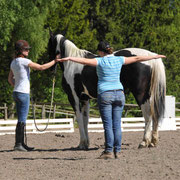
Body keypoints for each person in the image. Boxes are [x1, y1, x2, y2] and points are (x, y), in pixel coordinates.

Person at [58, 41, 166, 159]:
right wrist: (154, 57)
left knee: (108, 125)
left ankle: (109, 151)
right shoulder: (119, 59)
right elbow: (137, 58)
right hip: (119, 95)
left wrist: (68, 58)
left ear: (100, 52)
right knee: (116, 125)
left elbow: (84, 61)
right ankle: (118, 151)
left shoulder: (99, 60)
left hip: (105, 95)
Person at [8, 40, 61, 152]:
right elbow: (41, 67)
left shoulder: (13, 62)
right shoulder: (24, 61)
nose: (28, 51)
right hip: (23, 93)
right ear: (20, 51)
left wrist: (17, 85)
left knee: (20, 119)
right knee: (22, 119)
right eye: (25, 49)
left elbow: (9, 79)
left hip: (16, 92)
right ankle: (18, 144)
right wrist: (54, 61)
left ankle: (21, 143)